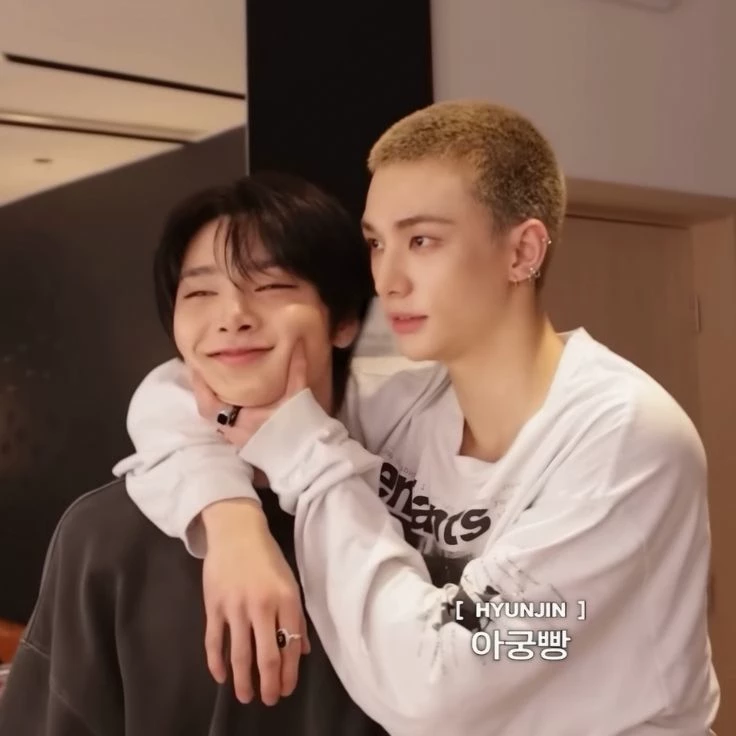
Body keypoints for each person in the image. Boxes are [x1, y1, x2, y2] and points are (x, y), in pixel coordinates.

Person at [114, 101, 719, 735]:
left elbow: (443, 685)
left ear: (522, 252)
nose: (388, 279)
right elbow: (179, 392)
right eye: (377, 243)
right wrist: (233, 528)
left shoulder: (622, 435)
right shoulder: (408, 401)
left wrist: (304, 455)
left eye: (422, 241)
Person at [0, 173, 388, 735]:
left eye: (273, 285)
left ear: (345, 318)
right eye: (201, 293)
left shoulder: (416, 503)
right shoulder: (106, 536)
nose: (233, 315)